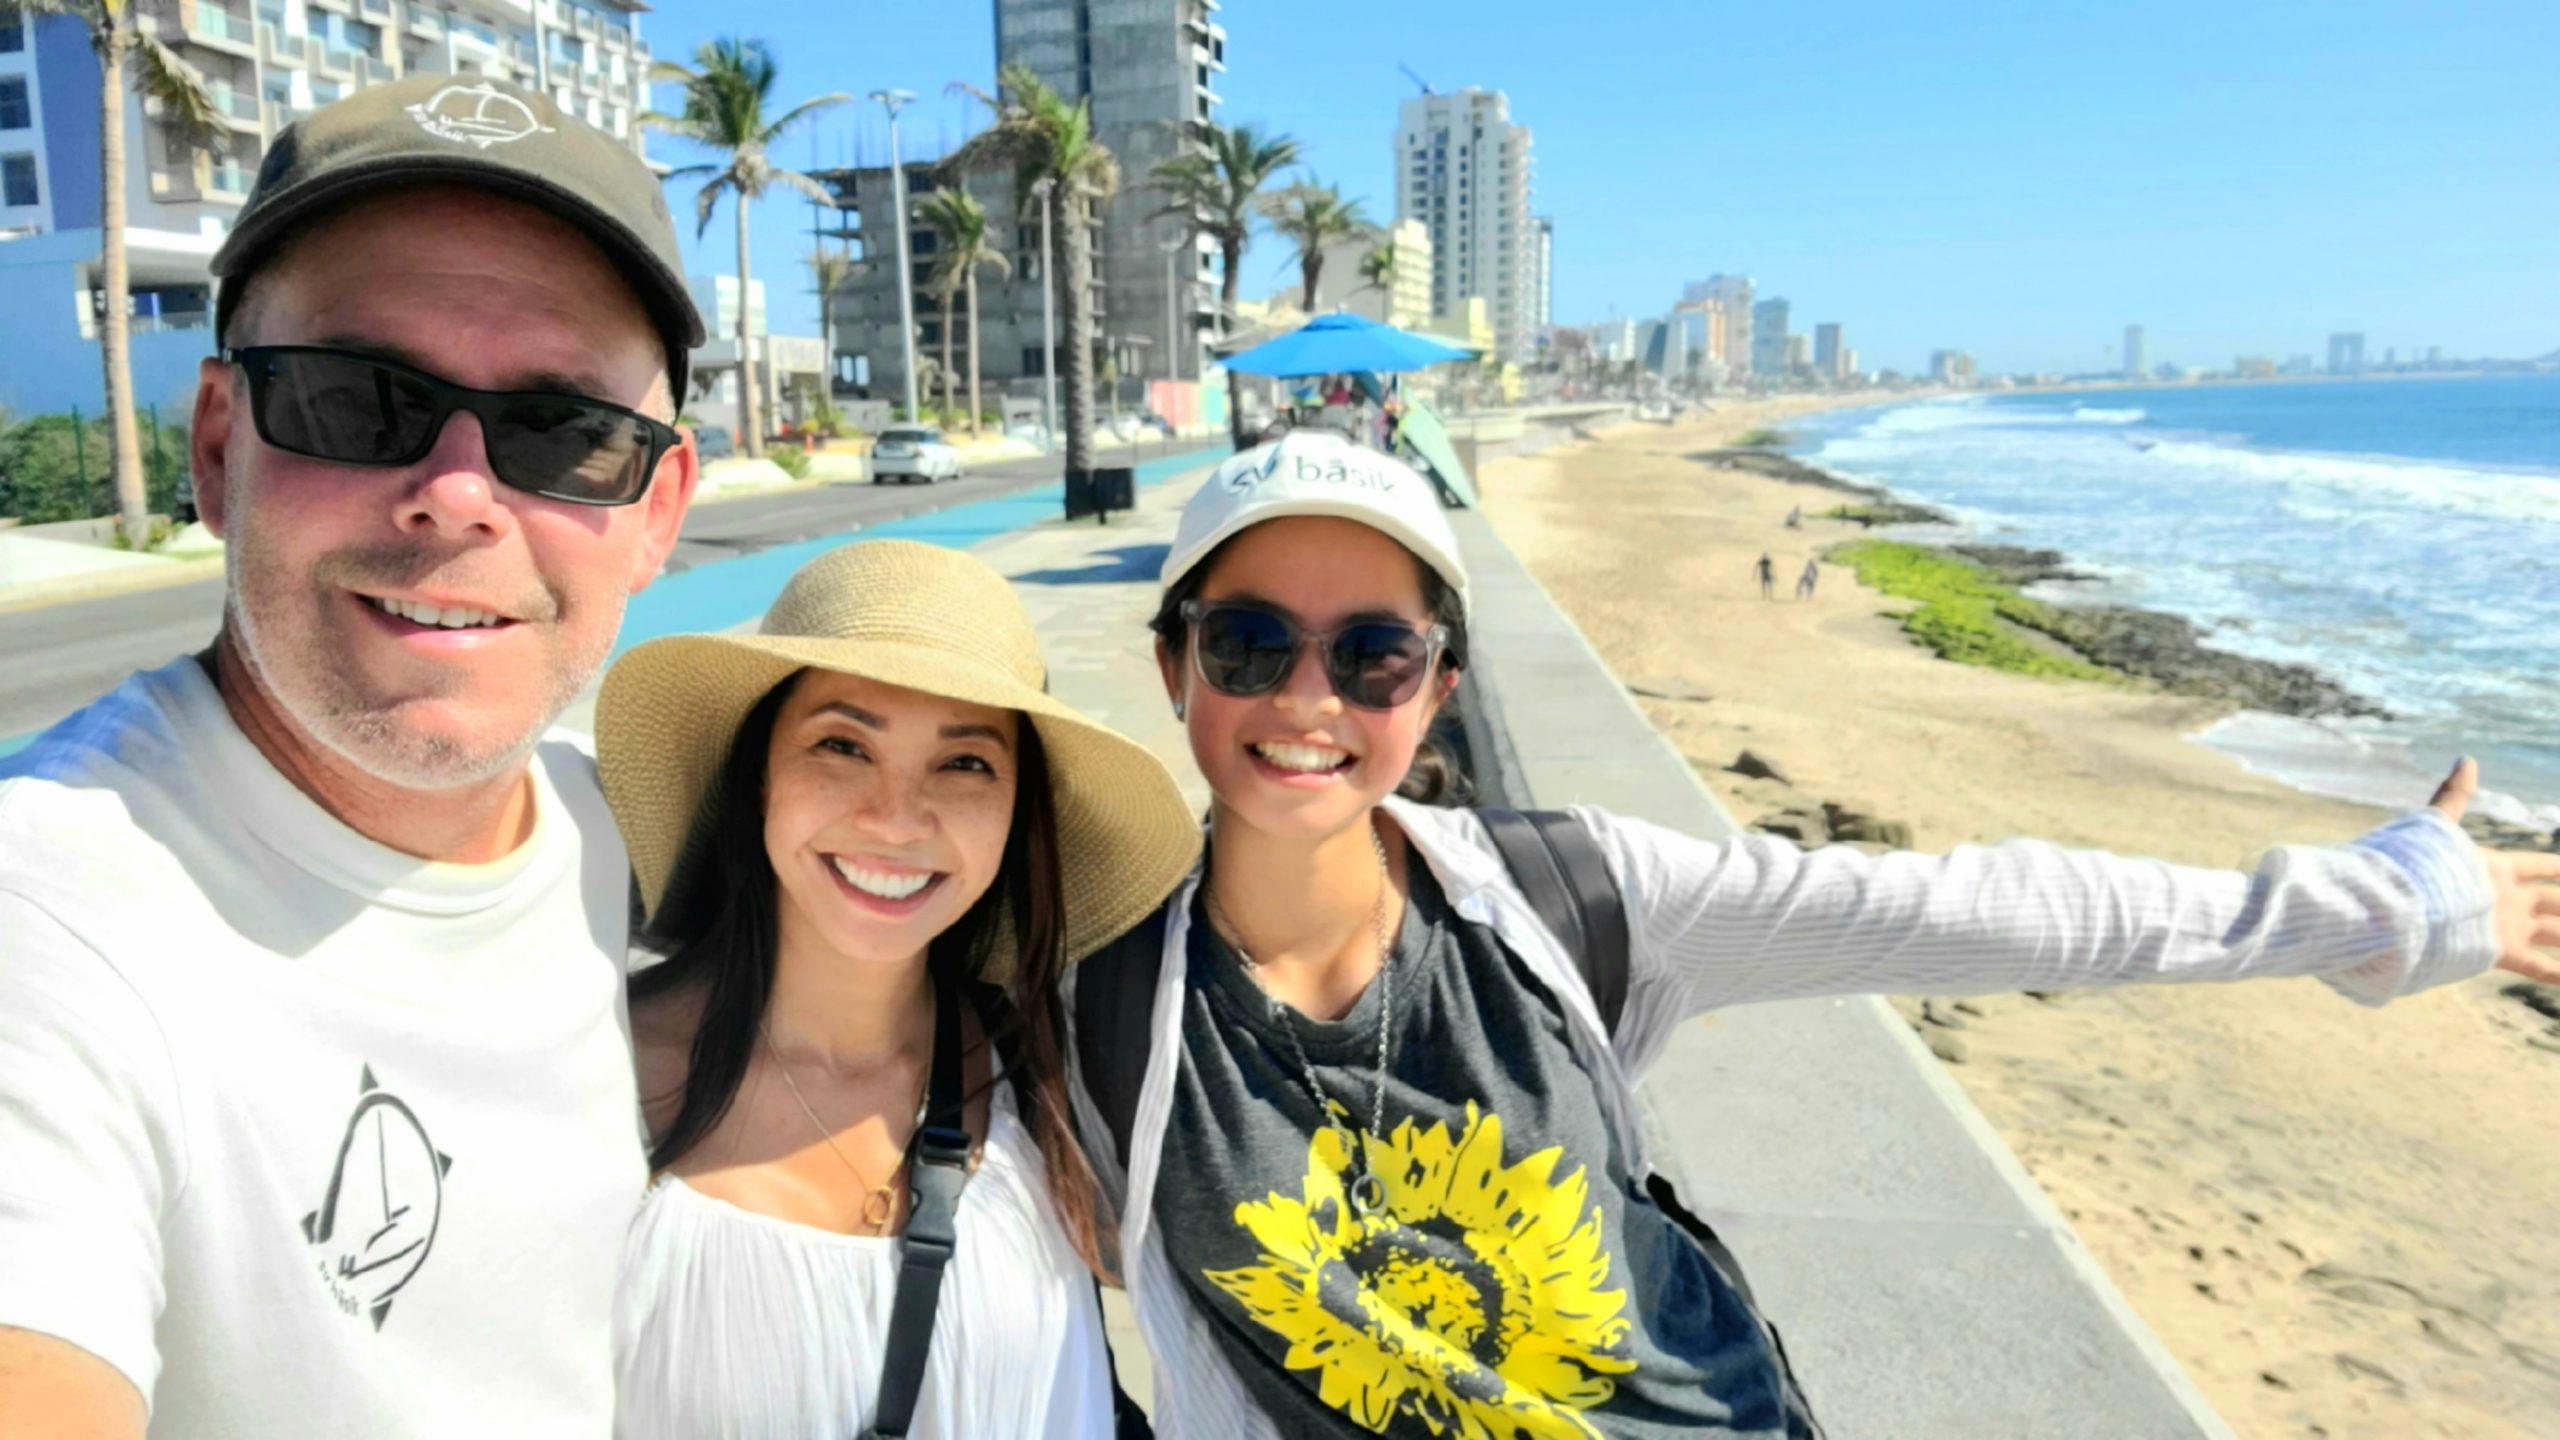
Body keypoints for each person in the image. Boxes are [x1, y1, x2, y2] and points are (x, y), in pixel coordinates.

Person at [1067, 429, 2556, 1439]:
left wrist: (2400, 901)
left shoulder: (1578, 905)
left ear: (1439, 686)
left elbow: (1978, 909)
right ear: (1174, 665)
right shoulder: (1100, 1009)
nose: (1310, 701)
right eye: (1251, 643)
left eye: (1374, 652)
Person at [0, 77, 704, 1435]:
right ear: (216, 448)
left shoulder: (655, 845)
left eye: (566, 434)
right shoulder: (51, 918)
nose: (456, 491)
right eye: (353, 399)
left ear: (656, 509)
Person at [599, 541, 1198, 1436]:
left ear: (1014, 811)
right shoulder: (598, 1089)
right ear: (760, 769)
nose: (895, 818)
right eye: (843, 744)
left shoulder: (1055, 1080)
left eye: (965, 764)